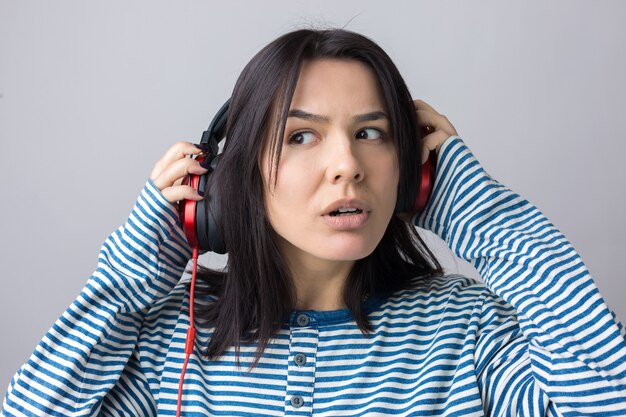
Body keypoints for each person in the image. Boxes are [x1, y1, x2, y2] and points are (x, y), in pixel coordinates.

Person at [2, 27, 626, 417]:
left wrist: (479, 211)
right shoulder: (173, 344)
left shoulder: (466, 332)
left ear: (412, 175)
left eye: (371, 134)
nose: (347, 166)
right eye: (302, 136)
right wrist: (134, 269)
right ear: (234, 179)